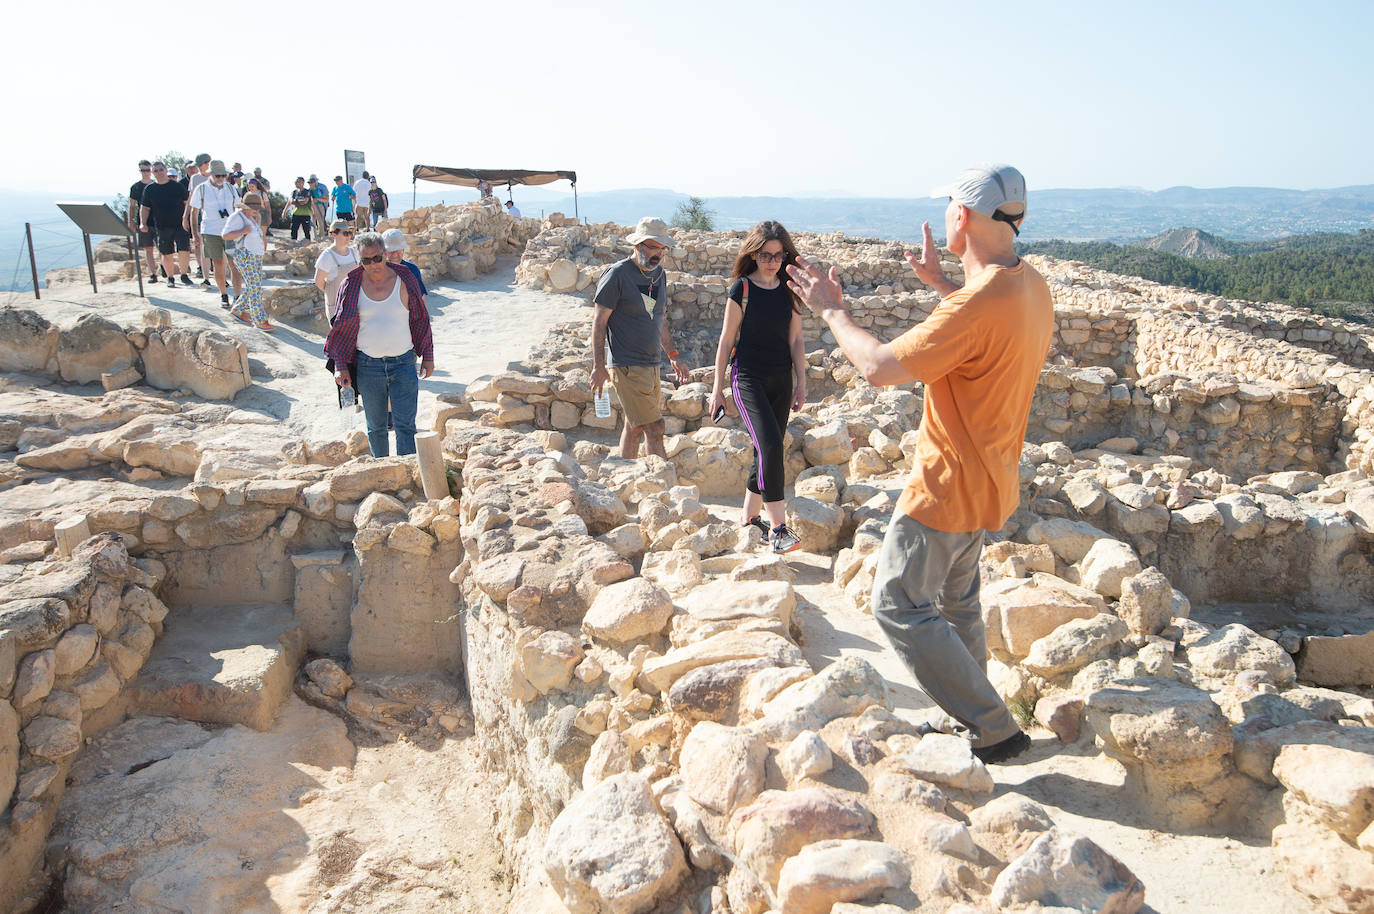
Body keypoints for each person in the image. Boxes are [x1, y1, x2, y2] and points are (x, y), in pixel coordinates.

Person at [785, 163, 1050, 765]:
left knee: (898, 602)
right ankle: (971, 718)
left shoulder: (975, 305)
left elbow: (878, 367)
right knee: (957, 604)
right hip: (993, 477)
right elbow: (987, 330)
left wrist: (830, 310)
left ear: (962, 217)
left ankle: (994, 726)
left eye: (951, 210)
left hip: (948, 482)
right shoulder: (1029, 284)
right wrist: (941, 284)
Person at [708, 221, 807, 555]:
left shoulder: (789, 289)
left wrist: (802, 382)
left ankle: (750, 519)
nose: (772, 262)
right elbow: (726, 339)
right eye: (766, 255)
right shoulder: (742, 290)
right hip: (747, 378)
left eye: (778, 256)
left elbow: (796, 339)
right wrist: (716, 388)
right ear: (754, 254)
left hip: (782, 379)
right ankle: (778, 528)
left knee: (766, 448)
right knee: (769, 446)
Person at [324, 231, 434, 457]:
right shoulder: (351, 283)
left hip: (403, 362)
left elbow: (420, 318)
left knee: (406, 426)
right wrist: (341, 365)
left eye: (377, 258)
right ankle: (381, 476)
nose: (373, 264)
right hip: (367, 366)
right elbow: (341, 327)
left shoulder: (405, 278)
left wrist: (428, 355)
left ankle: (406, 476)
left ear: (385, 254)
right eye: (366, 260)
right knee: (376, 429)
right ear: (359, 259)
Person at [589, 216, 690, 459]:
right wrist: (598, 366)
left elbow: (658, 318)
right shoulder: (617, 275)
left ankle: (626, 476)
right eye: (653, 247)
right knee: (655, 427)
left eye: (662, 248)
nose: (658, 253)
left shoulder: (659, 276)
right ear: (638, 246)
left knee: (634, 425)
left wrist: (673, 355)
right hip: (626, 364)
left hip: (651, 363)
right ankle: (661, 485)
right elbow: (599, 322)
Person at [188, 159, 241, 308]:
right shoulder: (202, 189)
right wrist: (195, 233)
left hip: (230, 231)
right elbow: (194, 211)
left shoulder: (230, 188)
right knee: (218, 264)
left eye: (223, 175)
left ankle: (237, 296)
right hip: (210, 231)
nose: (220, 178)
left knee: (234, 264)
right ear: (211, 174)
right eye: (217, 175)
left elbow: (238, 207)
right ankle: (224, 294)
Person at [221, 191, 274, 332]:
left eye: (258, 207)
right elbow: (225, 235)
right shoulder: (237, 217)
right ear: (245, 206)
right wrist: (243, 231)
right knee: (255, 287)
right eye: (254, 207)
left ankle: (237, 310)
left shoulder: (250, 216)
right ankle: (259, 319)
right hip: (245, 255)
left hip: (255, 256)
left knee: (253, 286)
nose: (257, 210)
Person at [138, 161, 193, 288]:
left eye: (161, 170)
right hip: (162, 226)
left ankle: (184, 275)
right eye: (155, 171)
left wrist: (187, 219)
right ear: (152, 173)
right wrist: (143, 223)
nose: (159, 172)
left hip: (180, 224)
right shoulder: (150, 189)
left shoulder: (177, 186)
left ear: (165, 170)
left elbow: (187, 203)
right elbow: (144, 208)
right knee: (166, 253)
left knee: (184, 250)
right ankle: (170, 277)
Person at [314, 221, 358, 320]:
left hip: (354, 304)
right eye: (345, 233)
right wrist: (331, 290)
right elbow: (319, 281)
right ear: (334, 234)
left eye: (349, 233)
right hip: (336, 306)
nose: (348, 236)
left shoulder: (354, 253)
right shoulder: (327, 256)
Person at [127, 160, 159, 280]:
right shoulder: (135, 187)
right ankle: (153, 274)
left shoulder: (157, 185)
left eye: (147, 170)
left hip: (158, 220)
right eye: (143, 170)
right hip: (143, 222)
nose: (145, 172)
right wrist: (131, 222)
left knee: (162, 248)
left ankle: (164, 268)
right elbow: (131, 205)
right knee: (148, 248)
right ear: (139, 171)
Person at [185, 153, 212, 285]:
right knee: (201, 244)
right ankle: (204, 273)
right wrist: (186, 216)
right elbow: (191, 199)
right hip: (200, 213)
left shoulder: (216, 176)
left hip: (215, 215)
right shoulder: (195, 178)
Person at [381, 228, 425, 298]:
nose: (395, 255)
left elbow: (421, 297)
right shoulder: (379, 272)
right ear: (384, 252)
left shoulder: (412, 270)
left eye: (398, 250)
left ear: (403, 250)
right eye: (391, 251)